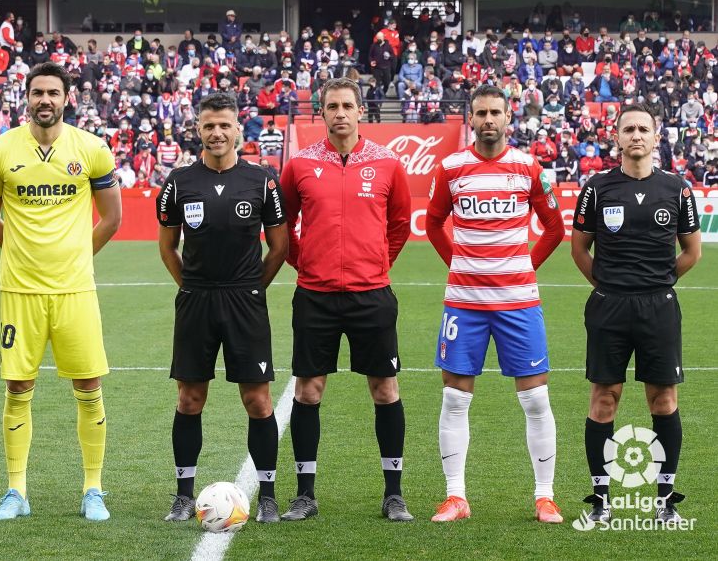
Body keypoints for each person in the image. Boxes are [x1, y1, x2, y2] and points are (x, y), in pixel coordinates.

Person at [0, 62, 122, 522]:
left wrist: (78, 254)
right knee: (18, 386)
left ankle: (93, 489)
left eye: (53, 93)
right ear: (27, 97)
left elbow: (112, 217)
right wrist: (18, 252)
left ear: (66, 98)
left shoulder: (92, 149)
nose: (45, 100)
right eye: (38, 92)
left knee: (89, 385)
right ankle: (16, 491)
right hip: (19, 289)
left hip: (75, 289)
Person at [425, 84, 566, 524]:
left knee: (537, 401)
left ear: (509, 117)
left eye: (496, 113)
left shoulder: (529, 167)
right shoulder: (451, 168)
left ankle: (545, 497)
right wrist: (461, 265)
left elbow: (554, 227)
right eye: (481, 113)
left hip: (518, 304)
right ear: (471, 118)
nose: (489, 120)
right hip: (464, 304)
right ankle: (456, 498)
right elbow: (433, 224)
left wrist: (524, 266)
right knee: (454, 399)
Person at [279, 78, 413, 522]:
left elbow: (398, 227)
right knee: (309, 391)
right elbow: (281, 229)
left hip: (371, 295)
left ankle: (393, 493)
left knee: (384, 389)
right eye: (332, 106)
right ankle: (305, 493)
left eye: (347, 105)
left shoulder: (388, 164)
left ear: (361, 111)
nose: (340, 112)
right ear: (322, 113)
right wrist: (306, 265)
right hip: (314, 297)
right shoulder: (299, 165)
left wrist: (375, 264)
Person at [157, 92, 288, 524]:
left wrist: (252, 289)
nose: (216, 133)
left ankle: (267, 495)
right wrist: (192, 287)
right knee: (190, 398)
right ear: (198, 129)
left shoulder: (262, 180)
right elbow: (168, 247)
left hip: (244, 300)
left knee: (257, 400)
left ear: (238, 129)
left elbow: (279, 246)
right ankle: (182, 494)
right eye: (208, 125)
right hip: (196, 299)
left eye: (224, 125)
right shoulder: (178, 182)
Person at [571, 104, 701, 524]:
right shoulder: (597, 187)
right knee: (604, 400)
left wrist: (657, 283)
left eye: (644, 128)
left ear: (656, 135)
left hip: (658, 308)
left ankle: (665, 503)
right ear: (617, 136)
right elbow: (579, 248)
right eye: (629, 129)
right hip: (609, 307)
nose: (636, 136)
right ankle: (601, 501)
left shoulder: (677, 189)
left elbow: (691, 252)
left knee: (662, 400)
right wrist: (609, 287)